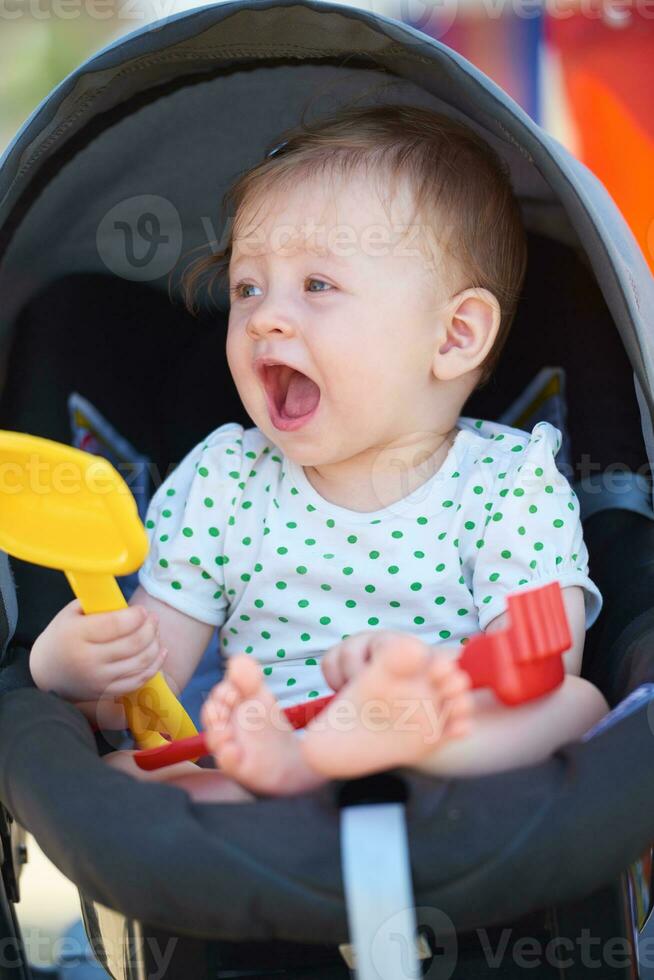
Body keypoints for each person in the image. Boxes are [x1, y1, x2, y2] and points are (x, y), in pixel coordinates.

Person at [29, 103, 609, 803]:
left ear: (454, 336)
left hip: (449, 751)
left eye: (318, 285)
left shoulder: (511, 482)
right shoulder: (227, 479)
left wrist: (424, 689)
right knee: (120, 777)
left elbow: (541, 658)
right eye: (247, 287)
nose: (263, 316)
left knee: (577, 705)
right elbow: (139, 706)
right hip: (263, 761)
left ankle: (392, 739)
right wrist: (75, 664)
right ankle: (306, 764)